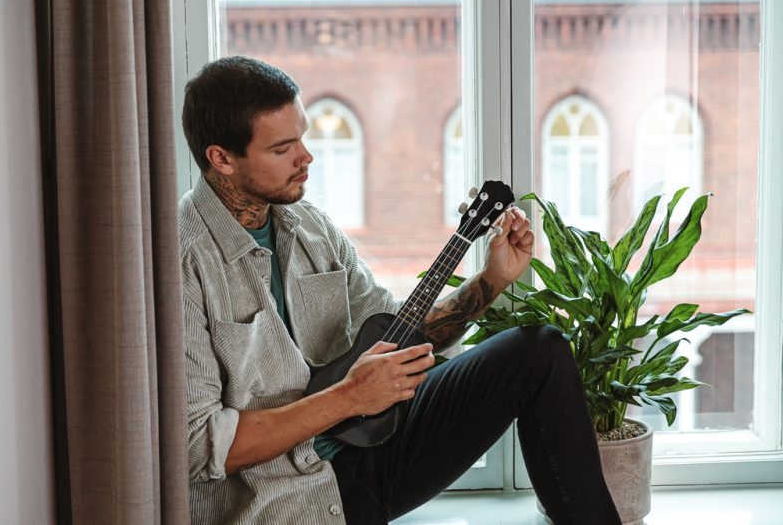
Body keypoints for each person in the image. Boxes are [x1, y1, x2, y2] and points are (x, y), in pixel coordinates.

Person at [179, 55, 620, 525]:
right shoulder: (180, 264)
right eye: (283, 147)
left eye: (302, 137)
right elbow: (199, 445)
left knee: (539, 352)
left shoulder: (310, 228)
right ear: (221, 158)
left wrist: (491, 281)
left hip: (375, 448)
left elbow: (398, 334)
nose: (306, 157)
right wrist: (348, 399)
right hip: (282, 500)